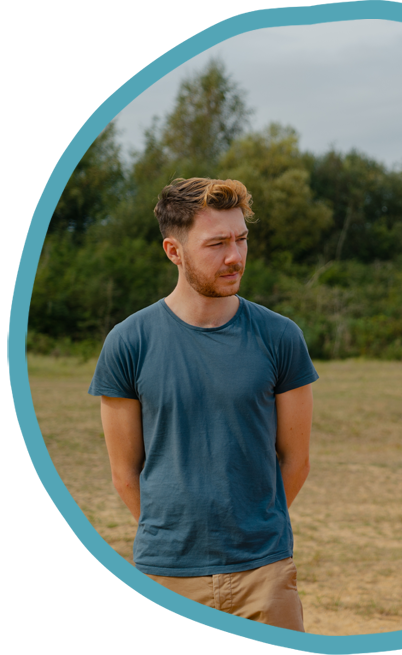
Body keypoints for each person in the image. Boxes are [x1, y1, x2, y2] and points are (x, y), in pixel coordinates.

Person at [88, 177, 318, 631]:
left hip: (264, 575)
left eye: (241, 239)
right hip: (165, 576)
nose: (235, 256)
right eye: (217, 244)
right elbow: (124, 473)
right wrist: (176, 536)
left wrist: (253, 528)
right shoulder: (127, 343)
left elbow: (296, 461)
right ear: (174, 251)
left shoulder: (281, 337)